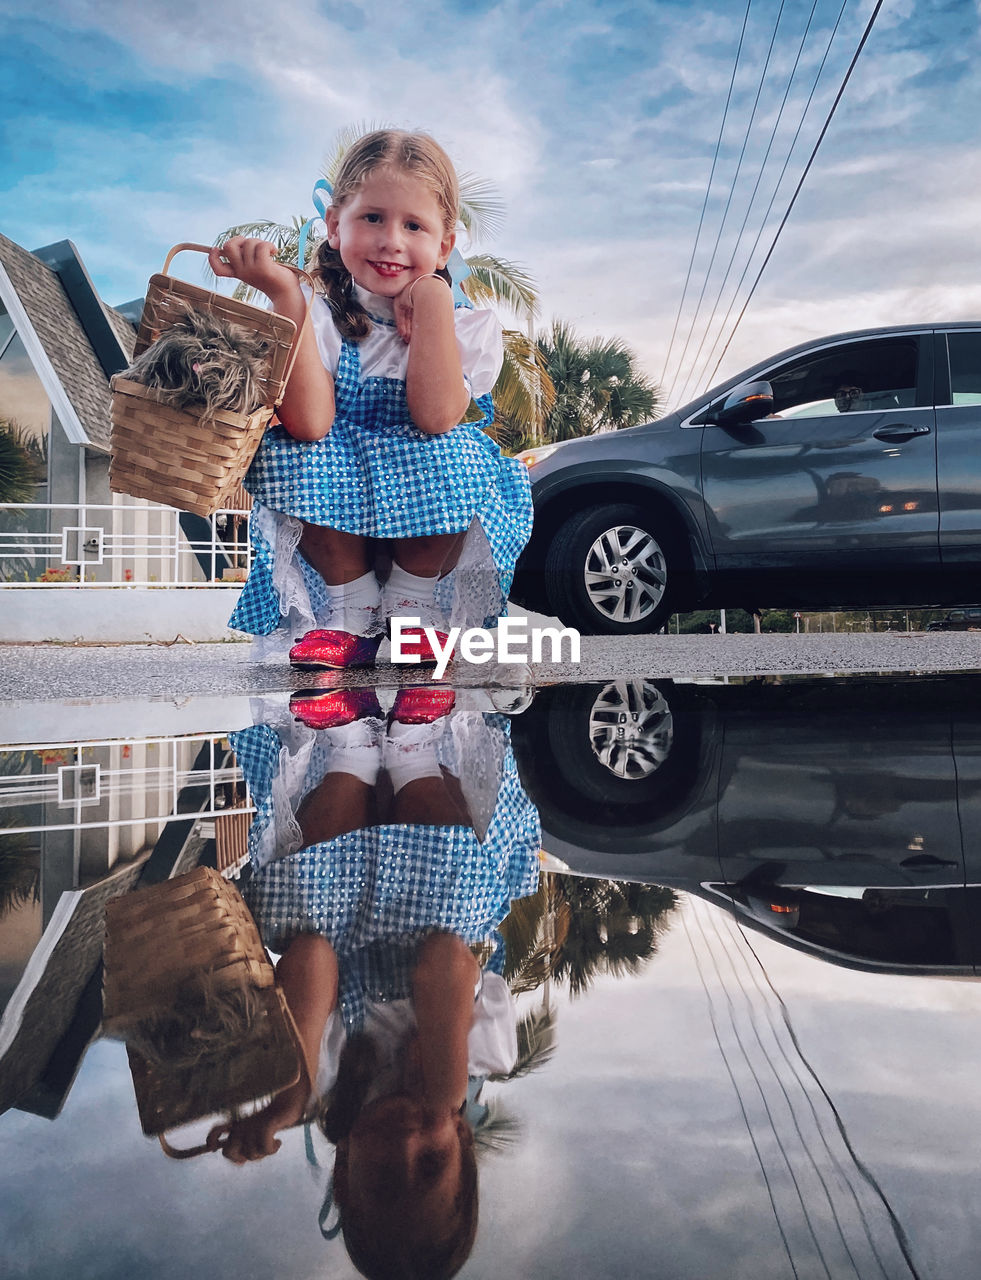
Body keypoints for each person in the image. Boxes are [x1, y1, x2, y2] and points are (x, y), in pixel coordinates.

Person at [217, 689, 541, 1278]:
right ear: (463, 1146)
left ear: (344, 1170)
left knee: (300, 917)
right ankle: (411, 743)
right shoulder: (486, 1055)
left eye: (383, 1175)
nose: (404, 1146)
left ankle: (355, 747)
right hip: (426, 823)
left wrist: (294, 1090)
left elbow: (313, 957)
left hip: (346, 830)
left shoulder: (328, 1080)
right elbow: (444, 961)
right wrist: (445, 1089)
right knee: (459, 907)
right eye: (431, 1164)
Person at [209, 129, 533, 669]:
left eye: (414, 226)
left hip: (420, 542)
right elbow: (311, 424)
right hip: (344, 533)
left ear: (444, 245)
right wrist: (286, 294)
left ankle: (413, 609)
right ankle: (351, 610)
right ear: (335, 226)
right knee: (287, 447)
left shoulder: (465, 325)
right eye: (372, 218)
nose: (391, 241)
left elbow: (434, 416)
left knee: (459, 451)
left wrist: (432, 295)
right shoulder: (317, 312)